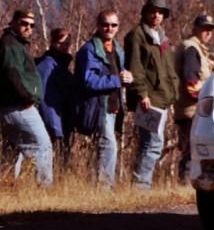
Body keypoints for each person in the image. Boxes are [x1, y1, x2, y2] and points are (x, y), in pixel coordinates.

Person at [124, 0, 178, 190]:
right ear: (145, 12)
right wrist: (141, 94)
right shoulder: (136, 35)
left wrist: (174, 94)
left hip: (162, 98)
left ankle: (140, 183)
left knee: (151, 142)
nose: (156, 15)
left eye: (160, 12)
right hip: (148, 98)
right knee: (153, 143)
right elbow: (135, 67)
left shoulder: (162, 38)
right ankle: (141, 185)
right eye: (153, 11)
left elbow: (169, 70)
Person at [75, 10, 133, 187]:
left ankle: (97, 187)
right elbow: (88, 80)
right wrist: (117, 80)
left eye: (114, 25)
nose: (109, 28)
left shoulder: (117, 48)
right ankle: (103, 190)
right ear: (98, 25)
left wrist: (128, 79)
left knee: (103, 148)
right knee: (109, 147)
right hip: (98, 107)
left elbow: (120, 74)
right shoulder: (89, 50)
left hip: (113, 106)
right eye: (105, 24)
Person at [0, 10, 53, 186]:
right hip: (19, 106)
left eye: (32, 25)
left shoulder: (17, 45)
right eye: (24, 23)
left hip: (12, 105)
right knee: (42, 145)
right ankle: (44, 191)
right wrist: (28, 98)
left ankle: (10, 189)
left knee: (17, 151)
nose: (28, 28)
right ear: (14, 23)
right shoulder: (11, 45)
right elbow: (13, 74)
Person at [174, 13, 214, 183]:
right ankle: (185, 184)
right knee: (192, 151)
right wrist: (209, 100)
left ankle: (185, 183)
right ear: (195, 28)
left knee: (189, 149)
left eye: (210, 29)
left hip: (191, 110)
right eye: (204, 28)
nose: (208, 32)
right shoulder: (191, 48)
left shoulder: (197, 48)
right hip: (192, 110)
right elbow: (191, 82)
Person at [36, 28, 75, 168]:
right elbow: (45, 97)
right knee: (52, 157)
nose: (65, 46)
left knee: (63, 158)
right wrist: (54, 126)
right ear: (52, 43)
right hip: (54, 123)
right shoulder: (47, 65)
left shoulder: (62, 66)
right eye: (61, 43)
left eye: (68, 44)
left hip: (64, 120)